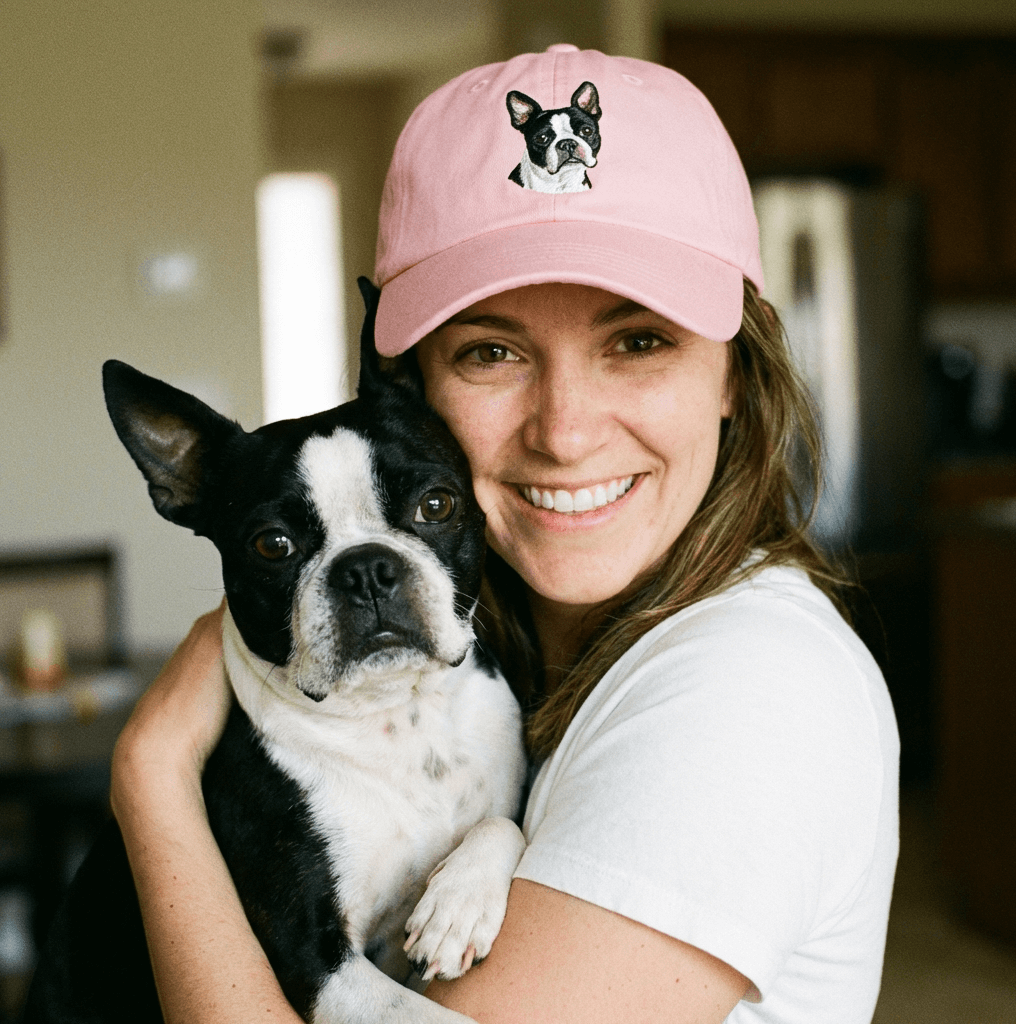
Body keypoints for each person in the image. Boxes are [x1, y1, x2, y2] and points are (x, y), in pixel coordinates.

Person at [109, 45, 899, 1024]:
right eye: (492, 350)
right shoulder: (516, 650)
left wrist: (149, 774)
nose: (564, 431)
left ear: (734, 370)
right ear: (414, 396)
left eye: (637, 339)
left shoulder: (750, 690)